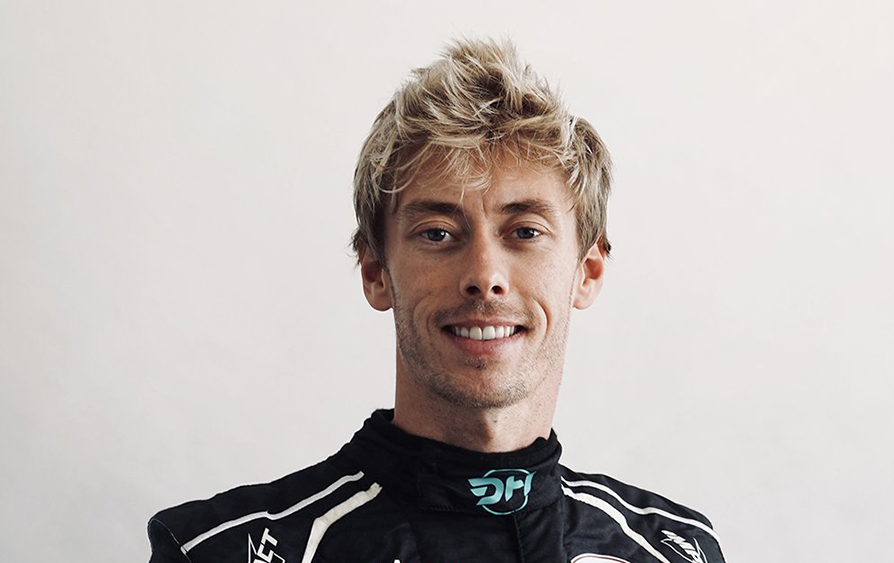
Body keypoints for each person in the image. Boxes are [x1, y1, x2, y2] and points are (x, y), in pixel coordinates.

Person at [148, 38, 726, 563]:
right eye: (438, 234)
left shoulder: (677, 552)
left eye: (525, 231)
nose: (484, 276)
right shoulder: (217, 553)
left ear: (588, 272)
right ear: (375, 271)